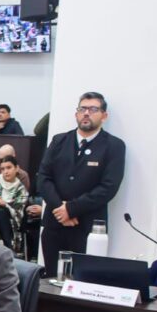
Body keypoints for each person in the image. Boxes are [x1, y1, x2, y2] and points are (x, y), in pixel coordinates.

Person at [36, 92, 126, 276]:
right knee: (51, 281)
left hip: (88, 228)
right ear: (76, 114)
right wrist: (60, 208)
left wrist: (71, 209)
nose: (86, 113)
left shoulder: (114, 146)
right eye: (82, 109)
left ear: (104, 116)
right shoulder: (59, 140)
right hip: (55, 224)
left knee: (83, 282)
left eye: (93, 109)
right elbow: (44, 178)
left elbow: (108, 188)